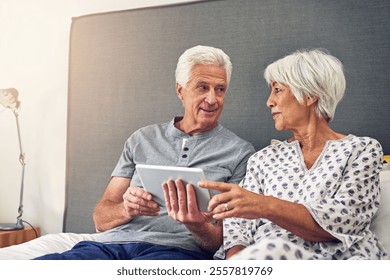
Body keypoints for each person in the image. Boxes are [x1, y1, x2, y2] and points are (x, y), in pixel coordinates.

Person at [32, 45, 255, 260]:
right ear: (180, 89)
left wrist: (196, 224)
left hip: (178, 251)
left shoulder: (240, 152)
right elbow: (100, 219)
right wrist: (127, 209)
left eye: (220, 89)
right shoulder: (141, 139)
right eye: (202, 87)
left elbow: (223, 239)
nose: (212, 99)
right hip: (110, 245)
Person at [199, 49, 388, 260]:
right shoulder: (263, 159)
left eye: (278, 90)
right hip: (265, 263)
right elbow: (238, 228)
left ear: (309, 95)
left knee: (272, 250)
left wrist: (264, 205)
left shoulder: (361, 150)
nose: (269, 102)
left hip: (340, 262)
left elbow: (345, 219)